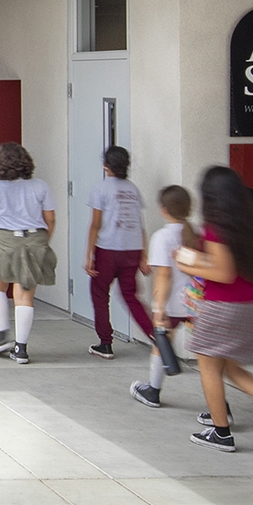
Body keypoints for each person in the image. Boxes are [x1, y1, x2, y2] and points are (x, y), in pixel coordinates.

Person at [180, 165, 253, 451]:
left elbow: (223, 273)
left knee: (208, 366)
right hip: (250, 304)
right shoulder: (246, 228)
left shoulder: (215, 229)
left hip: (221, 306)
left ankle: (221, 432)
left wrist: (188, 265)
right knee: (232, 369)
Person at [0, 142, 55, 364]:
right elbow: (50, 219)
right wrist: (43, 242)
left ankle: (1, 333)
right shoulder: (40, 186)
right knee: (24, 296)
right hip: (35, 239)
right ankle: (21, 348)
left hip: (4, 240)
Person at [129, 183, 199, 409]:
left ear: (163, 210)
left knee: (161, 345)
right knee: (207, 359)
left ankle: (153, 391)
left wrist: (158, 308)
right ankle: (219, 407)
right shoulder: (197, 233)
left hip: (172, 305)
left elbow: (164, 276)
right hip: (195, 303)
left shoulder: (162, 237)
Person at [84, 145, 156, 359]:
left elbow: (95, 225)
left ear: (106, 165)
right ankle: (155, 335)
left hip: (107, 249)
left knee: (99, 293)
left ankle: (105, 343)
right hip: (133, 250)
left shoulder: (100, 189)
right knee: (130, 295)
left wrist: (89, 255)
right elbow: (140, 225)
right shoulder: (133, 189)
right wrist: (144, 256)